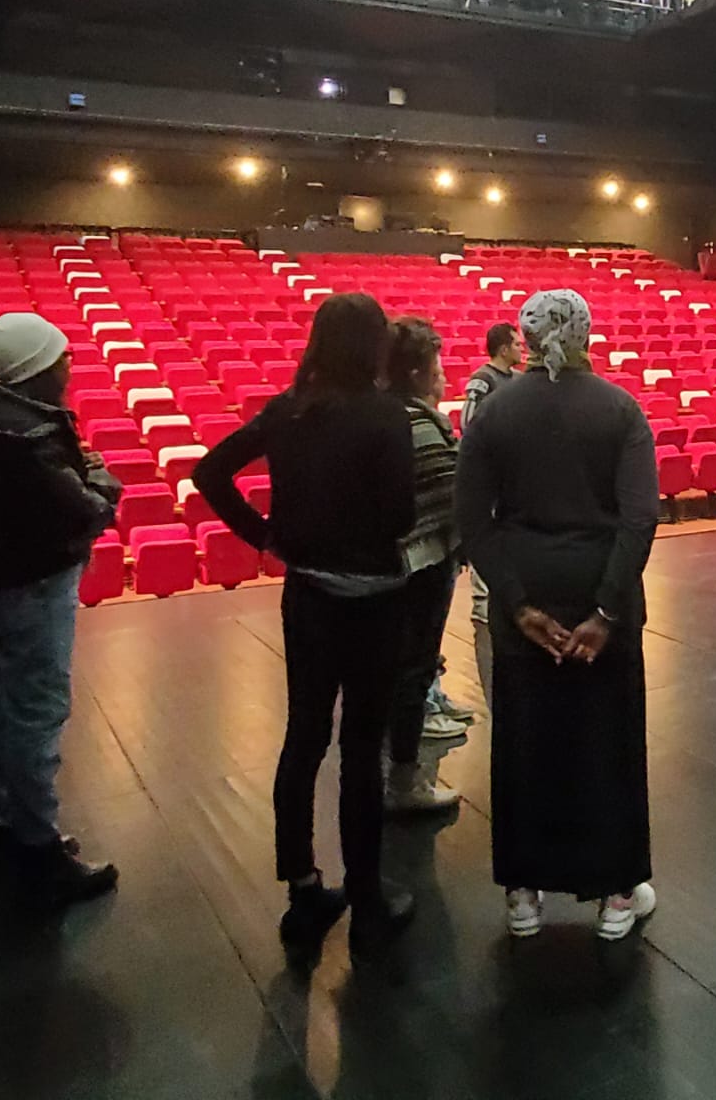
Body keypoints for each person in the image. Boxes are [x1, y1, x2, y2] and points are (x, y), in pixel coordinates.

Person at [192, 293, 418, 954]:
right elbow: (401, 516)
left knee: (304, 737)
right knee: (361, 749)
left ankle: (303, 889)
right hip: (374, 600)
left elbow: (210, 471)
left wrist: (266, 536)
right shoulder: (386, 415)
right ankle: (369, 897)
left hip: (309, 597)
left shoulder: (289, 411)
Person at [455, 289, 661, 941]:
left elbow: (471, 521)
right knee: (610, 744)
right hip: (604, 591)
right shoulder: (620, 408)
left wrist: (517, 606)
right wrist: (606, 609)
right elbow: (639, 517)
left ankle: (524, 895)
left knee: (525, 745)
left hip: (527, 599)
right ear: (587, 336)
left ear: (524, 337)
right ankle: (615, 897)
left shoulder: (494, 412)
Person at [0, 312, 122, 908]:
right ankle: (39, 849)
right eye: (62, 358)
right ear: (37, 369)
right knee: (39, 709)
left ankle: (9, 831)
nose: (71, 367)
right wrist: (103, 478)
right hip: (32, 583)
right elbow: (88, 508)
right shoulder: (30, 438)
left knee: (4, 701)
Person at [383, 317, 466, 816]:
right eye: (437, 367)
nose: (443, 377)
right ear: (415, 372)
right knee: (411, 673)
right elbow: (448, 495)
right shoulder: (417, 424)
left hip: (396, 565)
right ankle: (404, 781)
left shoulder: (384, 414)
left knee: (401, 671)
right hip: (420, 564)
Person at [462, 323, 523, 625]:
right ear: (502, 349)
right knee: (487, 532)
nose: (521, 349)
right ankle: (483, 607)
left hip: (515, 474)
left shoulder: (521, 380)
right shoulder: (482, 380)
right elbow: (468, 423)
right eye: (516, 344)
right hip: (492, 474)